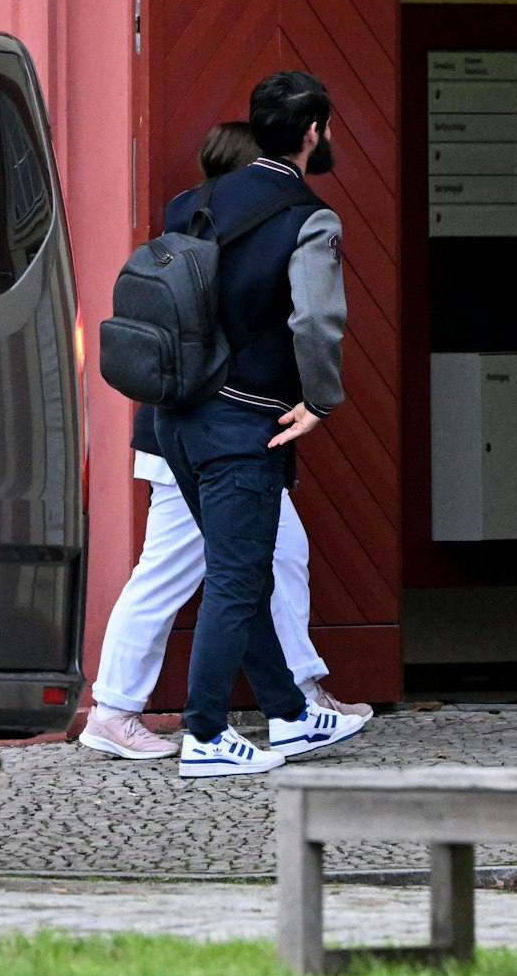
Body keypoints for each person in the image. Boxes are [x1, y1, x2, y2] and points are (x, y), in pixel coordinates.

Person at [79, 122, 368, 762]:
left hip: (179, 424)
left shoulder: (193, 221)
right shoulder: (242, 229)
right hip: (210, 434)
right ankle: (124, 710)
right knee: (193, 570)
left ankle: (296, 700)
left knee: (274, 558)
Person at [154, 72, 367, 777]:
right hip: (244, 424)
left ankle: (289, 713)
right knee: (239, 578)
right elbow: (317, 318)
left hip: (175, 420)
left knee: (236, 571)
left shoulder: (189, 203)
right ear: (312, 133)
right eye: (328, 129)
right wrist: (321, 398)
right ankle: (207, 733)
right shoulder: (310, 216)